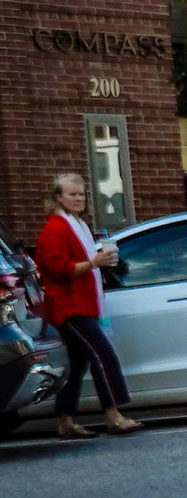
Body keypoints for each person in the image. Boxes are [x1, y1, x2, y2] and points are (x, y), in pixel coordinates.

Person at [32, 172, 139, 439]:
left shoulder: (77, 225)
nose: (79, 198)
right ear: (58, 198)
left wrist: (100, 264)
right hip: (69, 307)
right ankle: (113, 416)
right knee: (102, 355)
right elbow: (59, 269)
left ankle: (66, 421)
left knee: (78, 363)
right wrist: (94, 263)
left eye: (82, 194)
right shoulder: (56, 228)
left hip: (83, 304)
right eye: (72, 194)